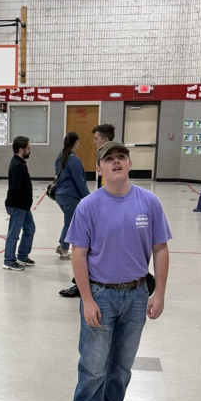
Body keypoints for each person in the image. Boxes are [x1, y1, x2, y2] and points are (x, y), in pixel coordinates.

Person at [67, 142, 171, 401]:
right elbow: (78, 254)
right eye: (108, 159)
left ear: (129, 163)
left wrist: (160, 293)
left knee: (122, 366)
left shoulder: (149, 202)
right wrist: (87, 299)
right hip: (101, 294)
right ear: (99, 169)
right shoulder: (88, 206)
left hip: (138, 294)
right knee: (94, 366)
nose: (115, 163)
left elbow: (161, 249)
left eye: (120, 158)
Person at [59, 124, 115, 297]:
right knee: (88, 249)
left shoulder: (111, 160)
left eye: (96, 139)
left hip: (107, 212)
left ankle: (91, 284)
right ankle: (82, 283)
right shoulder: (101, 158)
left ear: (105, 140)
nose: (93, 142)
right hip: (99, 208)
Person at [54, 132, 90, 259]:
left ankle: (61, 244)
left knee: (68, 222)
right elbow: (79, 180)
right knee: (69, 224)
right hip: (70, 196)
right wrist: (87, 197)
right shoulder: (73, 159)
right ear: (76, 143)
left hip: (59, 194)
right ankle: (64, 251)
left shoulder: (61, 156)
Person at [4, 135, 35, 271]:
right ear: (21, 150)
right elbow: (16, 190)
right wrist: (24, 203)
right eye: (28, 148)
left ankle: (22, 255)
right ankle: (9, 260)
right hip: (18, 205)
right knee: (14, 233)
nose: (30, 151)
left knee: (30, 229)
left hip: (23, 205)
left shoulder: (20, 163)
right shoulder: (17, 165)